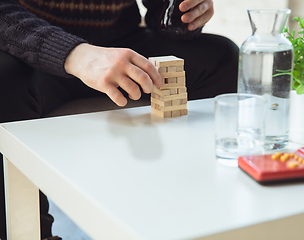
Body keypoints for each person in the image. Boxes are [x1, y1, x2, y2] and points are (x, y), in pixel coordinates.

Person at [0, 0, 239, 239]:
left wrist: (179, 13)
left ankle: (193, 211)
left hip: (120, 43)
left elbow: (162, 12)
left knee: (223, 57)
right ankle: (33, 233)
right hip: (29, 45)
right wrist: (76, 54)